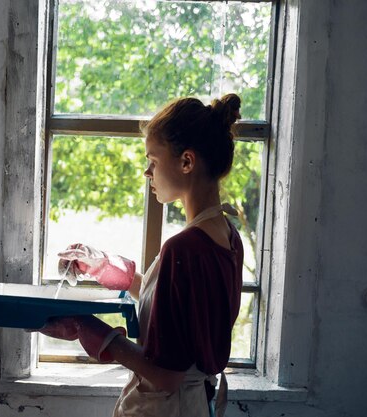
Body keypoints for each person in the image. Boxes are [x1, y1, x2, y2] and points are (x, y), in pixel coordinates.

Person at [38, 94, 244, 417]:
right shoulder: (228, 237)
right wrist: (104, 266)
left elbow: (167, 376)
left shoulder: (184, 248)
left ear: (187, 162)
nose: (147, 172)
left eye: (153, 160)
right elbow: (175, 306)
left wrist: (94, 333)